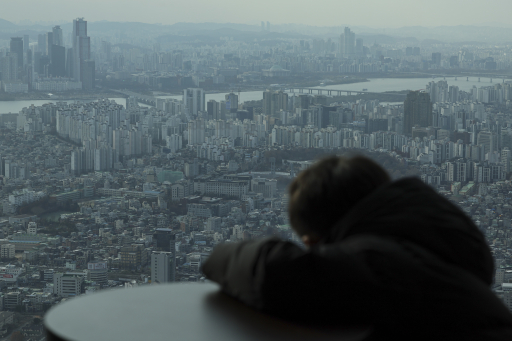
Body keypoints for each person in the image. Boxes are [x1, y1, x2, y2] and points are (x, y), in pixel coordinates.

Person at [201, 155, 512, 340]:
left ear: (314, 241)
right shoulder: (445, 248)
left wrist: (217, 256)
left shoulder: (380, 263)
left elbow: (268, 272)